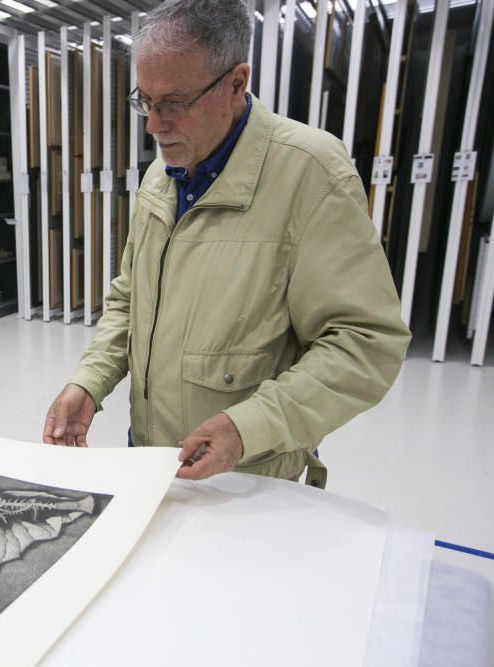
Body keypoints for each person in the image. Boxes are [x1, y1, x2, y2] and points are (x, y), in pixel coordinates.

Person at [42, 0, 410, 487]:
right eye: (145, 102)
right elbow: (129, 299)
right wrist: (89, 381)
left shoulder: (312, 175)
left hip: (248, 474)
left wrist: (246, 427)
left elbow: (366, 344)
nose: (153, 125)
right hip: (153, 457)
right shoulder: (160, 178)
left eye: (173, 103)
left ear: (237, 83)